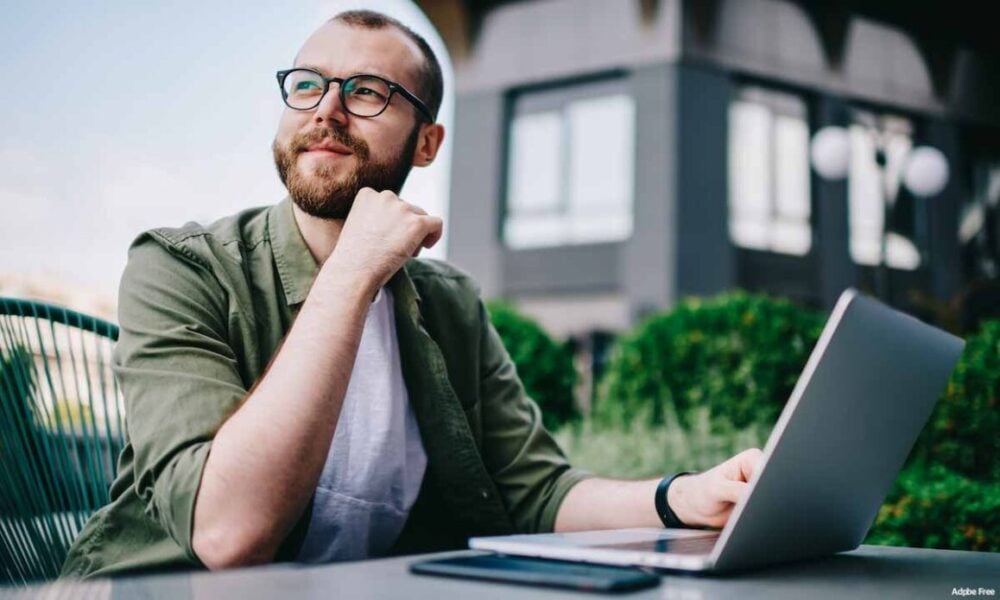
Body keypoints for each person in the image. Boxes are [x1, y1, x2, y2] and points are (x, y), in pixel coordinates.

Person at [61, 10, 762, 578]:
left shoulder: (449, 302)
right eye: (308, 84)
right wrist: (351, 273)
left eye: (366, 92)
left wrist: (686, 496)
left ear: (427, 143)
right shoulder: (181, 268)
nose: (327, 111)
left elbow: (538, 491)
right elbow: (226, 534)